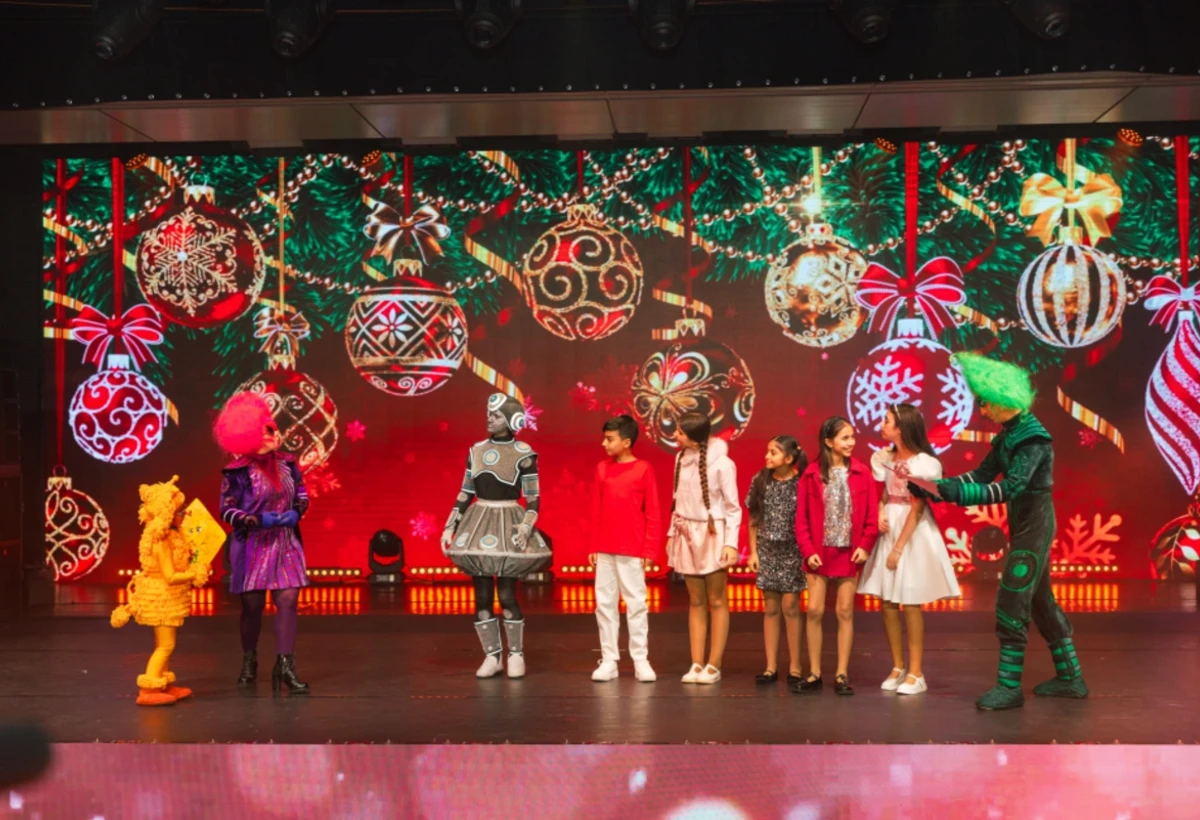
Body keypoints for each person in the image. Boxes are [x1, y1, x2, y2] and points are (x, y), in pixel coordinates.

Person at [921, 354, 1088, 711]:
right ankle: (1070, 678)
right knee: (1040, 601)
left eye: (984, 401)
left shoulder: (1032, 439)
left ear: (1002, 397)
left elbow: (1010, 487)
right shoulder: (1010, 436)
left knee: (1012, 600)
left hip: (1034, 525)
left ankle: (1009, 687)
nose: (981, 409)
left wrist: (955, 493)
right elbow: (982, 475)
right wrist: (940, 487)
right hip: (1026, 524)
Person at [442, 393, 551, 679]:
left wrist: (525, 527)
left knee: (506, 594)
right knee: (482, 597)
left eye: (496, 415)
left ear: (512, 420)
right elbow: (466, 491)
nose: (489, 419)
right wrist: (450, 526)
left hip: (508, 524)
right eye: (489, 414)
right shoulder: (476, 450)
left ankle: (516, 654)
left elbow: (533, 499)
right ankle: (492, 656)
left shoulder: (524, 454)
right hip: (479, 523)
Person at [857, 404, 961, 696]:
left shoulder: (923, 463)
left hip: (911, 533)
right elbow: (884, 494)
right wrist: (880, 511)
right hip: (890, 525)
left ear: (901, 428)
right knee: (888, 602)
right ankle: (897, 666)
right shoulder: (884, 458)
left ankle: (916, 672)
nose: (881, 425)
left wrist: (898, 549)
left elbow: (917, 508)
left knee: (910, 602)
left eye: (887, 421)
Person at [215, 392, 311, 694]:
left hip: (285, 542)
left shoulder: (288, 463)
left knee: (288, 600)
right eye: (268, 430)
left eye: (274, 428)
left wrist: (297, 512)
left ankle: (285, 666)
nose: (276, 434)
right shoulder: (237, 472)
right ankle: (250, 660)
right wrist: (257, 520)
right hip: (252, 546)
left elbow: (302, 494)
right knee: (252, 607)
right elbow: (226, 510)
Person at [793, 417, 879, 696]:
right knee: (815, 610)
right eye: (845, 438)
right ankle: (814, 672)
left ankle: (842, 673)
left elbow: (872, 517)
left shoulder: (862, 473)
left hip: (849, 552)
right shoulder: (811, 475)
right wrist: (808, 550)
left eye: (852, 437)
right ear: (828, 442)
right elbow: (801, 519)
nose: (851, 442)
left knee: (844, 611)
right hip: (819, 553)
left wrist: (865, 545)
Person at [110, 476, 211, 706]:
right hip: (162, 595)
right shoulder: (161, 540)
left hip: (166, 594)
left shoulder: (167, 535)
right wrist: (196, 573)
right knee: (166, 645)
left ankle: (162, 683)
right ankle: (148, 688)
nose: (182, 514)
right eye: (177, 511)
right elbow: (170, 576)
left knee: (163, 643)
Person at [666, 411, 742, 684]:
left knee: (717, 599)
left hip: (712, 534)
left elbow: (733, 508)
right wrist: (672, 534)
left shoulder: (723, 464)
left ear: (695, 438)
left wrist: (730, 543)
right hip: (687, 533)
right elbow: (677, 500)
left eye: (680, 432)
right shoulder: (679, 459)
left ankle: (714, 664)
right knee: (696, 600)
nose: (675, 436)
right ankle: (697, 662)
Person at [588, 414, 662, 683]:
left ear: (627, 441)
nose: (604, 443)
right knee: (605, 604)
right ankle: (609, 660)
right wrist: (594, 545)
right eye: (604, 438)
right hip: (605, 547)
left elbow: (652, 511)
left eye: (610, 439)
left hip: (632, 547)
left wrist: (650, 550)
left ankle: (640, 659)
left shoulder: (643, 469)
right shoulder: (602, 469)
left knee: (636, 604)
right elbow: (596, 509)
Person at [745, 435, 808, 686]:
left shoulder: (801, 483)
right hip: (767, 550)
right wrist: (753, 552)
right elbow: (753, 519)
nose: (767, 456)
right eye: (767, 451)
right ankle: (770, 666)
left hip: (793, 551)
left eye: (773, 452)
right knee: (770, 608)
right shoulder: (760, 480)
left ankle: (795, 666)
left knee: (791, 608)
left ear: (789, 458)